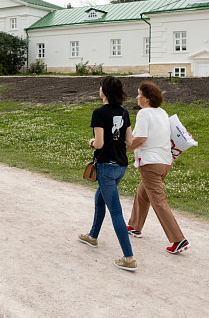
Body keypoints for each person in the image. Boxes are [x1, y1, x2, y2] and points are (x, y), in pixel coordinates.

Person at [78, 76, 137, 271]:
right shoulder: (124, 112)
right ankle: (93, 237)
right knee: (99, 198)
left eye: (100, 86)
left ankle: (129, 258)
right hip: (121, 166)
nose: (99, 89)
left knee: (116, 212)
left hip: (106, 167)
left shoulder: (99, 113)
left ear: (104, 91)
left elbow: (100, 143)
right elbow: (129, 141)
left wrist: (91, 143)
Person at [127, 81, 190, 255]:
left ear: (146, 98)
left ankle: (178, 239)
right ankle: (134, 226)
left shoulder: (144, 114)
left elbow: (140, 139)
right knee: (143, 192)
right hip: (165, 162)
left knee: (158, 201)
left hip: (150, 164)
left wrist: (122, 149)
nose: (137, 97)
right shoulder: (162, 113)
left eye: (139, 94)